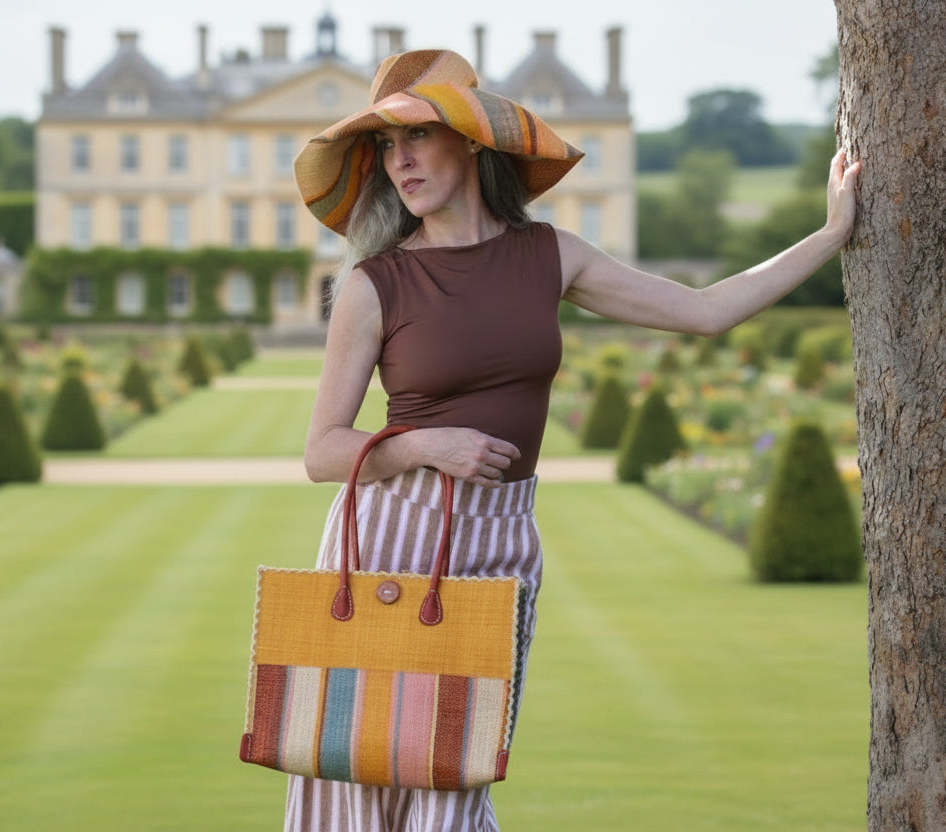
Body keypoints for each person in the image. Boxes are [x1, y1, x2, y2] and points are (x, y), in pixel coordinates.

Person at [288, 49, 860, 832]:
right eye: (387, 147)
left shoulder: (549, 255)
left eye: (417, 137)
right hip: (395, 539)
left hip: (502, 541)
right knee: (359, 782)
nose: (401, 161)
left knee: (455, 780)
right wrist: (423, 445)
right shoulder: (374, 283)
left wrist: (831, 234)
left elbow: (706, 309)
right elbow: (323, 452)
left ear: (473, 143)